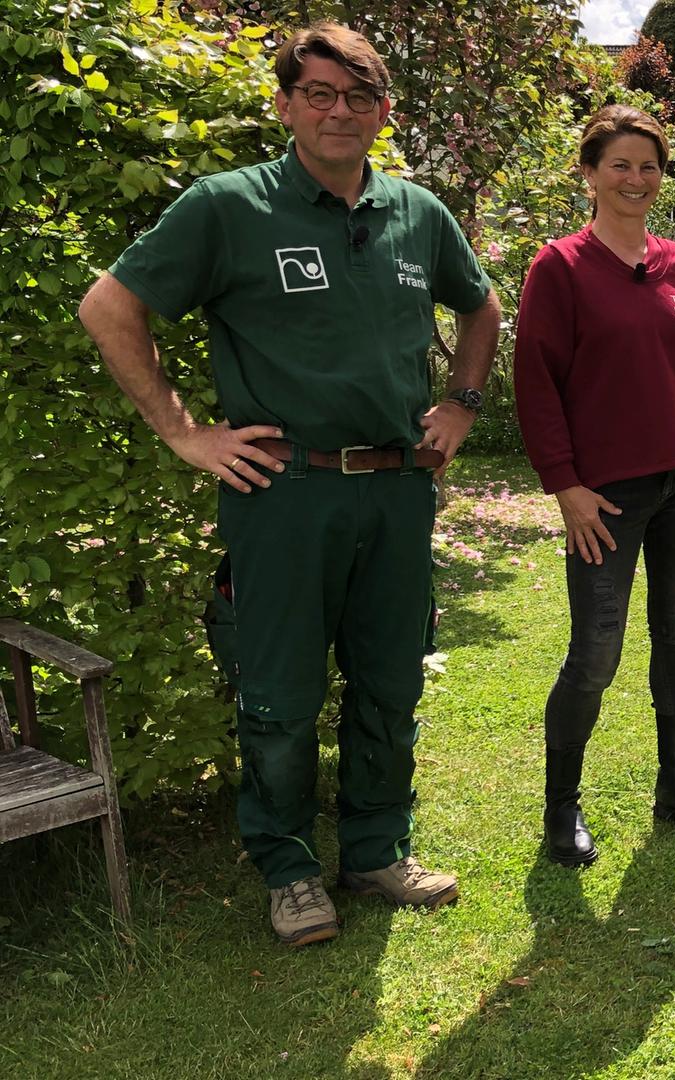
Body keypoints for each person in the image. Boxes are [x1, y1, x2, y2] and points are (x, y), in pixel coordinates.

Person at [78, 22, 500, 946]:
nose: (339, 111)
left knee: (391, 680)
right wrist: (185, 432)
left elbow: (480, 307)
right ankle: (289, 867)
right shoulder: (229, 206)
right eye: (319, 93)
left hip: (397, 489)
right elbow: (110, 306)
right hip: (285, 492)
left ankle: (377, 849)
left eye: (359, 97)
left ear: (383, 111)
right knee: (278, 692)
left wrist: (461, 405)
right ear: (285, 105)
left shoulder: (417, 214)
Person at [513, 105, 675, 863]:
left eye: (648, 166)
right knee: (595, 653)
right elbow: (537, 386)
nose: (636, 179)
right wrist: (565, 487)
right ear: (589, 173)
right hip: (605, 499)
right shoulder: (560, 267)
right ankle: (560, 810)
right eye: (620, 165)